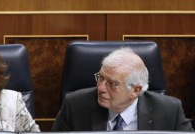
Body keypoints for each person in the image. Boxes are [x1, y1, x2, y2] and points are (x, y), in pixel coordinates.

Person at [52, 48, 193, 131]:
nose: (100, 88)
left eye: (112, 84)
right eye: (100, 78)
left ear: (135, 90)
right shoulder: (75, 106)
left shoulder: (170, 111)